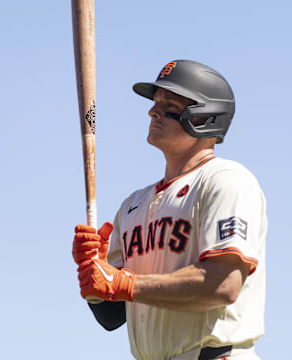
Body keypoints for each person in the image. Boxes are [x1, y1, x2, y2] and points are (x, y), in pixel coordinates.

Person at [72, 59, 267, 360]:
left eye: (170, 105)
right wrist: (97, 278)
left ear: (204, 117)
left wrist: (125, 282)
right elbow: (112, 318)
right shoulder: (132, 205)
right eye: (156, 103)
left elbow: (223, 284)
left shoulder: (225, 180)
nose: (153, 111)